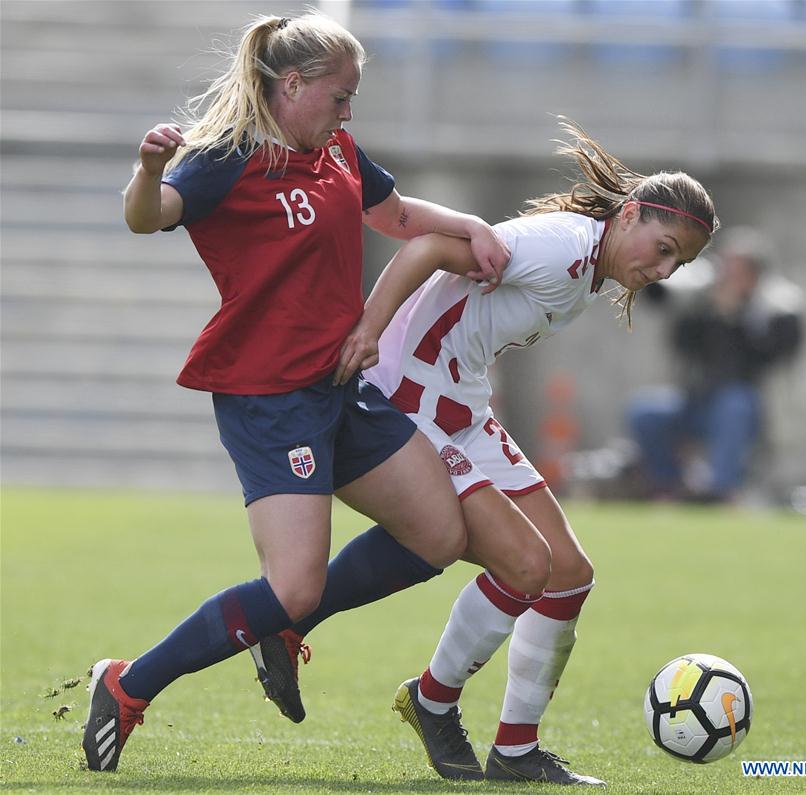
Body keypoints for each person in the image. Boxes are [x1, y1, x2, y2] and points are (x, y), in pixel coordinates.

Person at [81, 12, 511, 773]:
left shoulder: (336, 146)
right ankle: (128, 684)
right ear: (292, 85)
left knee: (437, 536)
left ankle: (283, 622)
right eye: (339, 97)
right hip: (267, 395)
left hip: (340, 384)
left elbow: (397, 214)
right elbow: (148, 219)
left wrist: (472, 225)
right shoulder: (223, 159)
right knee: (291, 580)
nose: (349, 112)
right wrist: (147, 170)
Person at [253, 120, 718, 785]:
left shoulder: (588, 264)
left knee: (568, 574)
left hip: (461, 406)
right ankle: (429, 699)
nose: (665, 269)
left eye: (680, 263)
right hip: (412, 400)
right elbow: (430, 248)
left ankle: (516, 749)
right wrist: (368, 331)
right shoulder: (561, 248)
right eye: (665, 247)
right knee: (525, 565)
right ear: (634, 213)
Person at [627, 227, 803, 502]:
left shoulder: (778, 309)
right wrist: (700, 312)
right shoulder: (705, 305)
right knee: (646, 411)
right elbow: (681, 345)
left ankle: (721, 492)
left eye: (736, 271)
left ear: (755, 275)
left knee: (734, 404)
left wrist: (737, 318)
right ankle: (669, 488)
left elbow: (774, 355)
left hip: (752, 408)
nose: (726, 277)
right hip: (699, 402)